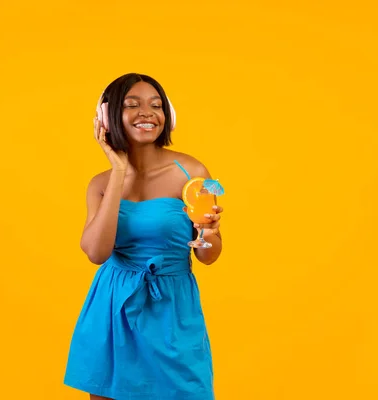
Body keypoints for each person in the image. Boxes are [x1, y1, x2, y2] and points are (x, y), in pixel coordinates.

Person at [63, 73, 224, 400]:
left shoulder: (193, 173)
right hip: (113, 306)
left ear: (168, 116)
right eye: (132, 105)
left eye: (156, 105)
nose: (147, 113)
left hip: (172, 308)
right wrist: (119, 172)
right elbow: (96, 252)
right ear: (107, 118)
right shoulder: (100, 184)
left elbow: (208, 255)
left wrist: (208, 232)